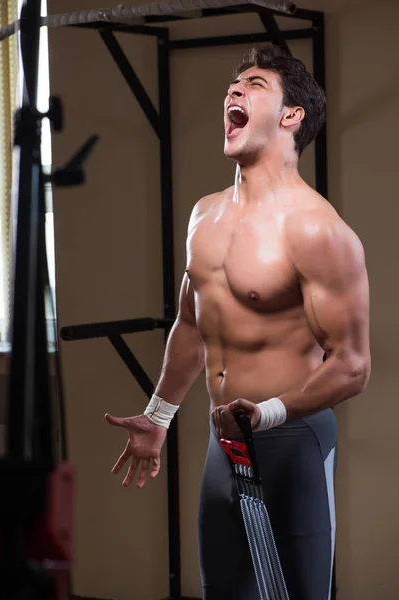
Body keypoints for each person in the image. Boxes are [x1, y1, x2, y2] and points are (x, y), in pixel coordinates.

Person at [105, 44, 371, 600]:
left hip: (293, 439)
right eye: (233, 85)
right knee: (224, 591)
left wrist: (270, 413)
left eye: (254, 84)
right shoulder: (205, 215)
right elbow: (190, 324)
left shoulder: (317, 230)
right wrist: (159, 416)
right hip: (222, 443)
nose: (234, 91)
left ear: (290, 116)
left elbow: (352, 366)